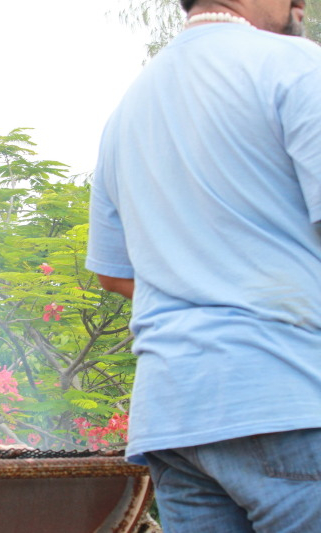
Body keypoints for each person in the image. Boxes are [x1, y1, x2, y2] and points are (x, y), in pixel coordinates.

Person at [85, 0, 321, 531]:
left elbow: (111, 271)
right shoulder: (297, 66)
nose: (301, 3)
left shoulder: (128, 108)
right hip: (292, 399)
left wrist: (201, 281)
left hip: (174, 419)